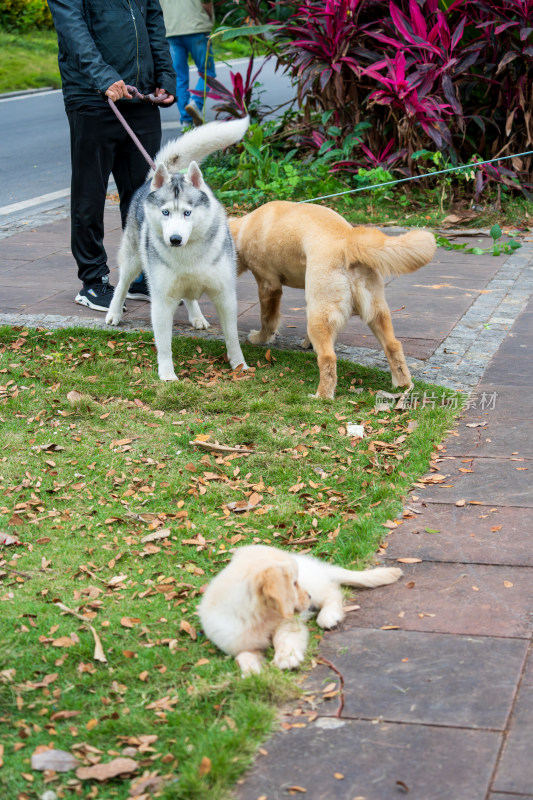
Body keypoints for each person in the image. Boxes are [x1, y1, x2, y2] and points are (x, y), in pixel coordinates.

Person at [46, 0, 176, 311]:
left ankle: (142, 276)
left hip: (141, 98)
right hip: (93, 97)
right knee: (90, 194)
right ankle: (92, 281)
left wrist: (165, 77)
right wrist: (102, 76)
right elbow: (72, 29)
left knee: (145, 194)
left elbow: (154, 24)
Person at [159, 0, 217, 127]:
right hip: (196, 27)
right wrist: (210, 17)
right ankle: (195, 103)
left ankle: (186, 121)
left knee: (179, 77)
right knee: (207, 72)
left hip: (171, 30)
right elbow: (206, 2)